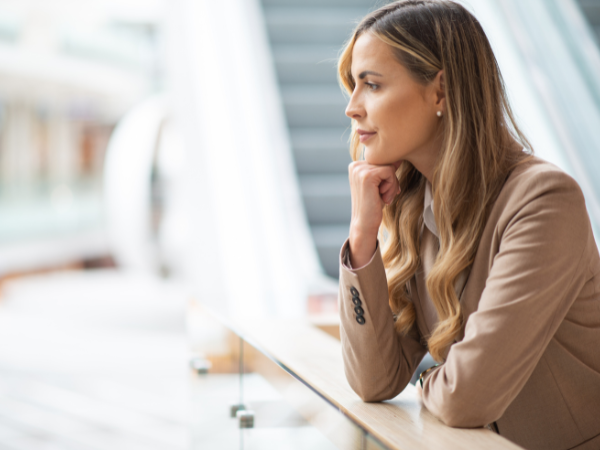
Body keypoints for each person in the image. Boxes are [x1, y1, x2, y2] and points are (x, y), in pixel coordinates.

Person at [336, 1, 600, 449]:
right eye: (352, 87)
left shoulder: (543, 200)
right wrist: (362, 238)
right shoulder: (415, 204)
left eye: (372, 85)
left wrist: (426, 384)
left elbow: (466, 398)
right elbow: (374, 381)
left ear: (440, 91)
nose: (353, 109)